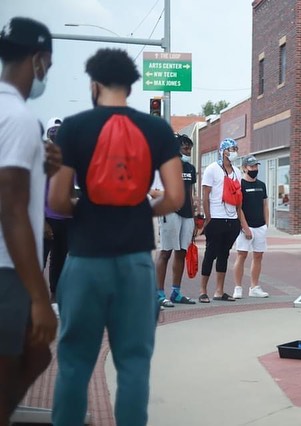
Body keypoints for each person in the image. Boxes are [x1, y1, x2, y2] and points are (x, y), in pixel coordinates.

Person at [48, 48, 184, 426]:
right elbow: (174, 196)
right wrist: (141, 210)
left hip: (85, 258)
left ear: (94, 84)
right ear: (130, 85)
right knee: (134, 363)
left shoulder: (73, 127)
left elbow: (58, 199)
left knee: (75, 361)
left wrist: (87, 212)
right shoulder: (157, 129)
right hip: (136, 260)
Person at [0, 16, 58, 423]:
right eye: (49, 67)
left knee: (36, 354)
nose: (47, 75)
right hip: (8, 270)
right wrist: (40, 298)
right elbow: (12, 207)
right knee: (29, 354)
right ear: (38, 59)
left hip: (9, 267)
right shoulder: (18, 118)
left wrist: (42, 169)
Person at [151, 134, 198, 308]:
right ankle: (159, 294)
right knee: (165, 252)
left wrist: (194, 217)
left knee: (181, 253)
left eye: (190, 149)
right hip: (169, 213)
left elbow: (191, 194)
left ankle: (176, 293)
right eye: (186, 149)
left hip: (187, 215)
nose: (188, 152)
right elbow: (151, 190)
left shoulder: (190, 168)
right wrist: (169, 197)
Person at [199, 138, 242, 303]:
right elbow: (205, 195)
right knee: (210, 253)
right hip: (216, 217)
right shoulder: (212, 169)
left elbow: (238, 196)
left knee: (224, 254)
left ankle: (219, 290)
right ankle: (203, 290)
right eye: (232, 148)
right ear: (224, 151)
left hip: (231, 219)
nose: (235, 151)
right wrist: (208, 217)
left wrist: (238, 218)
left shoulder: (237, 171)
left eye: (236, 148)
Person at [232, 155, 270, 299]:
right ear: (244, 168)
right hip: (245, 227)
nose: (254, 169)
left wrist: (266, 224)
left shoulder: (262, 185)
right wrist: (245, 227)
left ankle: (254, 287)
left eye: (256, 166)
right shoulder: (240, 185)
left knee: (258, 256)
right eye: (251, 166)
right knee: (242, 255)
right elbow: (238, 208)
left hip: (260, 226)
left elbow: (265, 205)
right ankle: (238, 287)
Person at [42, 117, 71, 304]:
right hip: (47, 218)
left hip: (66, 219)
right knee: (40, 259)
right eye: (53, 130)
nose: (57, 134)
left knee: (59, 259)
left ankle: (55, 294)